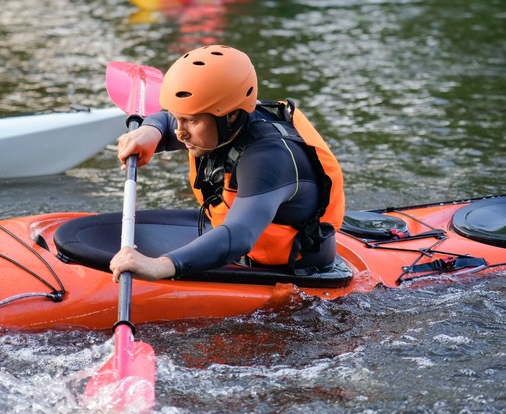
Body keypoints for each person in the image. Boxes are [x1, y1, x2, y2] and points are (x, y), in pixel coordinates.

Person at [110, 45, 345, 283]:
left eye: (190, 120)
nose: (179, 132)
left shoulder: (269, 158)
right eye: (177, 117)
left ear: (231, 116)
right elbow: (167, 119)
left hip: (293, 275)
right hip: (241, 255)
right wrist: (151, 130)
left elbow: (239, 236)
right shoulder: (221, 123)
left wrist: (161, 266)